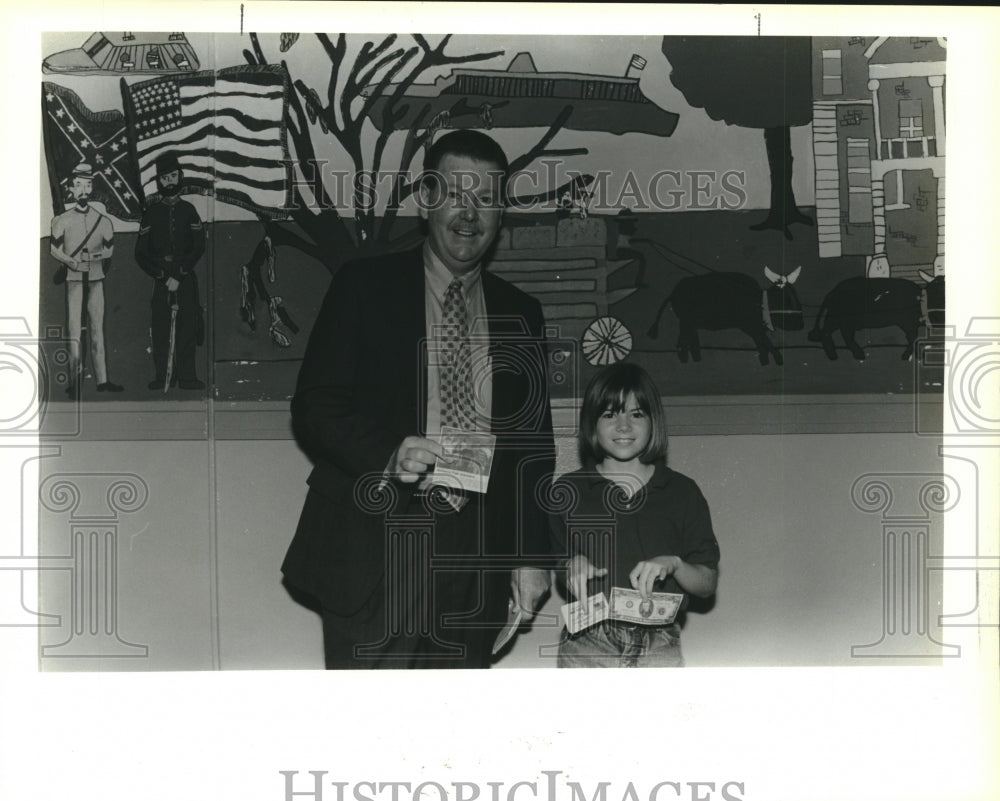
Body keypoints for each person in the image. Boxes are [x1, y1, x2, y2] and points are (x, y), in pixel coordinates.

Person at [283, 130, 556, 669]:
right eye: (455, 193)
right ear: (427, 199)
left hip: (474, 556)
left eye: (485, 199)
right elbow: (315, 405)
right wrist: (389, 452)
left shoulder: (522, 313)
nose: (469, 213)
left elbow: (532, 446)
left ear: (501, 214)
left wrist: (530, 556)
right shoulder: (363, 285)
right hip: (377, 544)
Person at [549, 362, 720, 667]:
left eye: (636, 414)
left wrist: (675, 564)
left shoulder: (683, 492)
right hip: (587, 642)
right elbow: (558, 563)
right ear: (591, 424)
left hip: (660, 640)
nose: (623, 426)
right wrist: (571, 564)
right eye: (609, 414)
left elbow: (706, 584)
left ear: (654, 421)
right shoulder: (568, 490)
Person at [49, 162, 124, 396]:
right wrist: (71, 262)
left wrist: (93, 256)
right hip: (73, 280)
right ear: (71, 187)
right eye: (79, 184)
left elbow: (110, 250)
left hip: (95, 279)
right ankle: (75, 382)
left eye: (87, 184)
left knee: (96, 330)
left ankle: (102, 381)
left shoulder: (103, 221)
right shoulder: (62, 220)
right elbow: (54, 249)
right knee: (74, 331)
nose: (83, 189)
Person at [134, 152, 206, 391]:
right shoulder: (151, 214)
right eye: (165, 178)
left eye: (173, 176)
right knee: (161, 328)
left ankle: (187, 377)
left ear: (181, 176)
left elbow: (199, 247)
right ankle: (163, 376)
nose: (170, 182)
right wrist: (164, 277)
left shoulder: (190, 211)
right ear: (159, 181)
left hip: (185, 279)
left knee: (188, 327)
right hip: (161, 279)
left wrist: (180, 274)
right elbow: (140, 254)